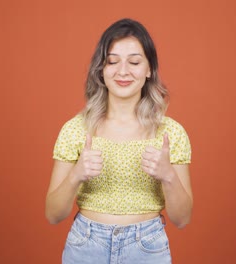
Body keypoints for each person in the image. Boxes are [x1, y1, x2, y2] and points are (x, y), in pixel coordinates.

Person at [45, 18, 192, 264]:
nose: (123, 71)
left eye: (134, 62)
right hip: (86, 247)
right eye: (113, 61)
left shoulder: (170, 133)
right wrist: (76, 174)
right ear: (101, 69)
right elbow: (53, 214)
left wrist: (168, 175)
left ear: (149, 70)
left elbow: (182, 219)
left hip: (147, 249)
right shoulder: (75, 130)